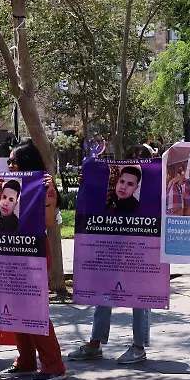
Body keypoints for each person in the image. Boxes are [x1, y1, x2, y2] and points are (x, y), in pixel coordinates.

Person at [69, 147, 153, 365]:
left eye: (130, 183)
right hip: (111, 250)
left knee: (139, 296)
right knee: (103, 294)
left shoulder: (145, 197)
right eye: (122, 182)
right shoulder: (111, 202)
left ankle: (138, 346)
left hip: (138, 251)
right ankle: (95, 343)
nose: (124, 187)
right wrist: (88, 182)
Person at [0, 139, 67, 380]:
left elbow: (50, 223)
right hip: (11, 253)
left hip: (34, 253)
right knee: (16, 307)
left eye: (13, 161)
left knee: (34, 310)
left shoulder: (43, 186)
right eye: (8, 161)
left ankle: (54, 365)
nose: (9, 166)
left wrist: (49, 194)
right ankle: (25, 360)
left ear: (25, 162)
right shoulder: (8, 186)